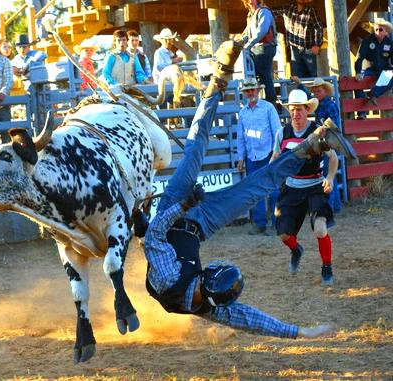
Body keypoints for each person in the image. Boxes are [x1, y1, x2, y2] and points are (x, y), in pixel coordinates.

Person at [142, 39, 355, 337]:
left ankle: (217, 82)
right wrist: (298, 332)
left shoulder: (169, 279)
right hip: (201, 225)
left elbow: (153, 237)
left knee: (195, 150)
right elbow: (250, 319)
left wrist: (184, 206)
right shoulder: (211, 304)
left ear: (206, 283)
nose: (211, 266)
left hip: (173, 211)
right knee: (258, 187)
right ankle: (315, 143)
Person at [270, 89, 342, 286]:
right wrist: (269, 175)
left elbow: (333, 158)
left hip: (314, 185)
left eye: (299, 110)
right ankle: (296, 249)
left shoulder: (318, 131)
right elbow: (275, 159)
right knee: (284, 234)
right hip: (291, 187)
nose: (295, 114)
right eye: (292, 110)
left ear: (307, 110)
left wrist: (330, 177)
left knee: (320, 229)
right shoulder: (281, 133)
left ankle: (326, 266)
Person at [236, 77, 281, 235]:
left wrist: (276, 152)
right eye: (247, 90)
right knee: (255, 191)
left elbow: (277, 131)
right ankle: (260, 223)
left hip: (269, 154)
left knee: (274, 189)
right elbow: (241, 137)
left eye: (252, 90)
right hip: (252, 156)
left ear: (257, 90)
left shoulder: (268, 108)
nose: (250, 93)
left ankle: (278, 223)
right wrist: (241, 157)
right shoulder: (243, 113)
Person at [291, 76, 342, 213]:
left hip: (329, 142)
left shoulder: (330, 105)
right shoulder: (321, 103)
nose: (316, 94)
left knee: (327, 174)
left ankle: (330, 206)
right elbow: (308, 98)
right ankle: (335, 205)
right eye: (315, 92)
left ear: (325, 91)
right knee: (329, 173)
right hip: (323, 142)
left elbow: (335, 126)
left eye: (319, 91)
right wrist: (300, 84)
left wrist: (326, 134)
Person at [273, 0, 323, 78]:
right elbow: (270, 12)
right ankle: (301, 90)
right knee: (298, 76)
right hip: (294, 48)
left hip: (308, 48)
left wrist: (317, 44)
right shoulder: (287, 8)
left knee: (313, 74)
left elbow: (318, 27)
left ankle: (313, 90)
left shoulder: (310, 10)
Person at [241, 0, 278, 104]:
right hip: (257, 48)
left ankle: (271, 101)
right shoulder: (251, 15)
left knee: (263, 73)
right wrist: (237, 43)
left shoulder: (264, 12)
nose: (250, 1)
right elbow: (247, 34)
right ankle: (266, 100)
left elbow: (262, 30)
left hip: (265, 47)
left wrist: (247, 45)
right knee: (259, 73)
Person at [354, 18, 393, 109]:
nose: (377, 32)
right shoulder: (367, 40)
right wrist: (358, 72)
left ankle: (373, 93)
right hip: (368, 70)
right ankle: (361, 113)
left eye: (380, 30)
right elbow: (360, 57)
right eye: (376, 29)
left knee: (390, 76)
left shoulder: (389, 43)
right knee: (357, 82)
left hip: (383, 69)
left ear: (386, 32)